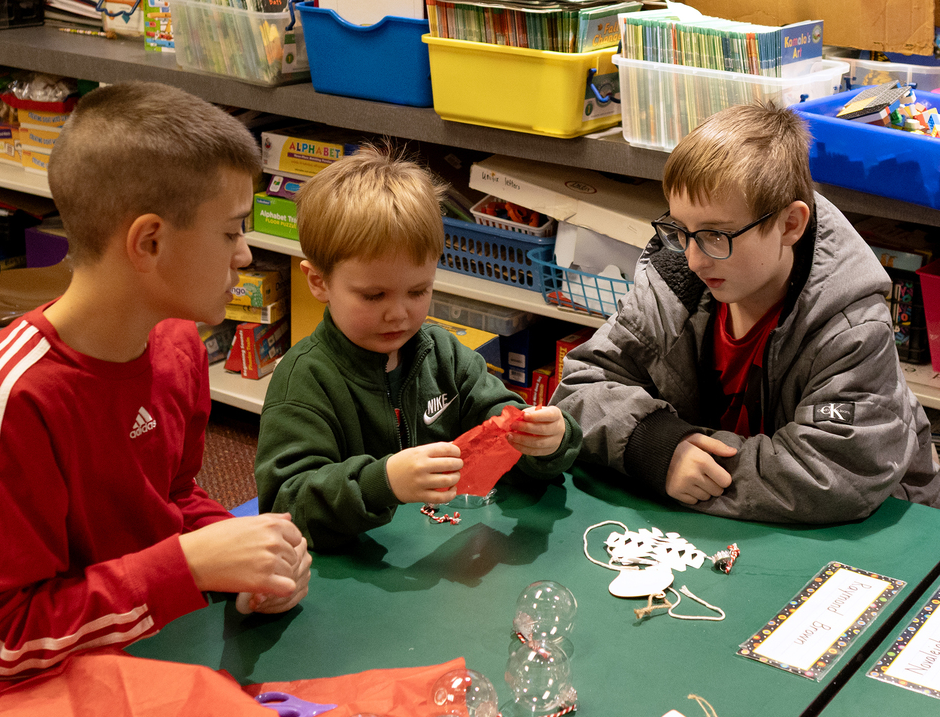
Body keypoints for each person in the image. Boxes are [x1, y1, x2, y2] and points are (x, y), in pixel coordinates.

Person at [0, 82, 311, 716]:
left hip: (145, 655)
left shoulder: (178, 343)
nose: (245, 253)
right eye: (231, 231)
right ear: (150, 243)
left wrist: (242, 556)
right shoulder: (4, 399)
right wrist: (186, 566)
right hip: (24, 700)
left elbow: (174, 496)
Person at [551, 101, 940, 523]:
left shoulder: (851, 328)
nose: (695, 259)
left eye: (717, 235)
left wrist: (686, 462)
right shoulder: (675, 281)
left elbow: (832, 472)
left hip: (876, 536)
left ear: (791, 225)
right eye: (681, 230)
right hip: (733, 525)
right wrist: (655, 444)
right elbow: (579, 387)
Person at [254, 144, 582, 551]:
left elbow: (498, 418)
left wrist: (547, 439)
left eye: (418, 290)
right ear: (319, 281)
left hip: (438, 554)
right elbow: (285, 507)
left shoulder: (442, 351)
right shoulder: (304, 379)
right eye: (374, 295)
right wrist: (384, 482)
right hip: (352, 573)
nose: (399, 314)